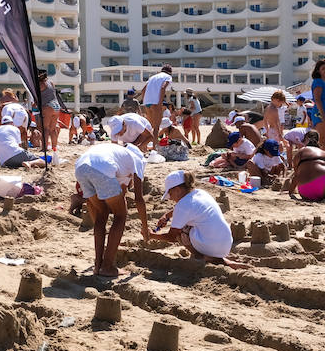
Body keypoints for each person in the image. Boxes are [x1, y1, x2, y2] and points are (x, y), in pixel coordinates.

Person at [74, 140, 150, 277]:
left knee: (101, 214)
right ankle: (107, 266)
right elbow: (139, 198)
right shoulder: (137, 160)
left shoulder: (118, 155)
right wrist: (145, 227)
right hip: (101, 168)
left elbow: (116, 188)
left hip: (80, 166)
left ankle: (98, 265)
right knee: (121, 215)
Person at [148, 170, 248, 268]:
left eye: (170, 193)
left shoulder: (183, 206)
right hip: (225, 243)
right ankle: (215, 257)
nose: (170, 198)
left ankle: (202, 257)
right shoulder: (200, 193)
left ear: (177, 190)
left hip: (212, 247)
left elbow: (171, 237)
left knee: (182, 230)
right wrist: (167, 216)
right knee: (188, 224)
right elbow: (186, 208)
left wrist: (151, 235)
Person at [136, 65, 174, 138]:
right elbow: (163, 88)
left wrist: (144, 102)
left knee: (149, 127)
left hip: (147, 103)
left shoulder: (152, 77)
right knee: (156, 128)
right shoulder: (168, 77)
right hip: (156, 103)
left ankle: (144, 146)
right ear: (170, 72)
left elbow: (143, 90)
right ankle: (154, 147)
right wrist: (160, 102)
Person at [35, 69, 62, 154]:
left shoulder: (40, 84)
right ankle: (54, 147)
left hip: (47, 106)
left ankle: (44, 148)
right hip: (56, 106)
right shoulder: (51, 83)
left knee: (45, 128)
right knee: (53, 129)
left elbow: (37, 97)